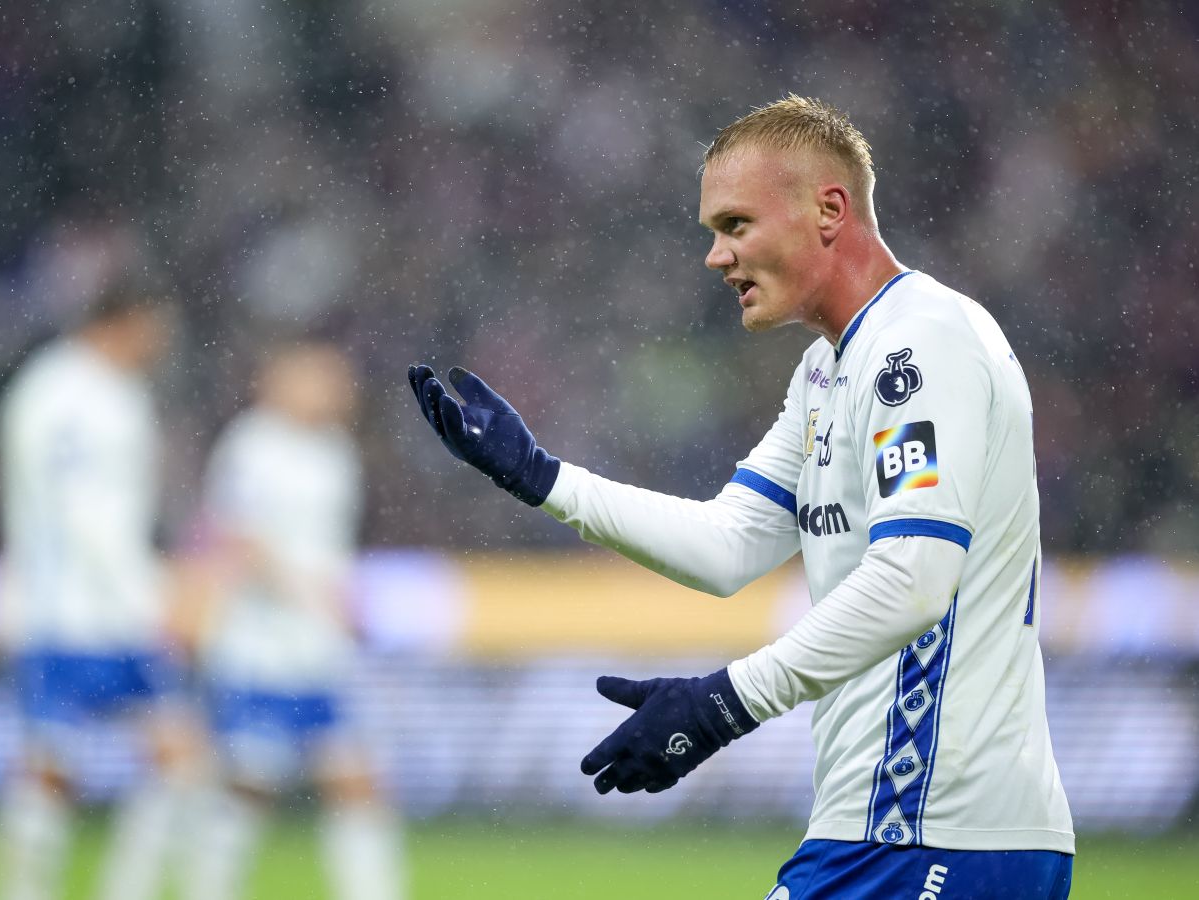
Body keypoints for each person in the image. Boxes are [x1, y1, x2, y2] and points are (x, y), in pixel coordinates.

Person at [408, 95, 1074, 898]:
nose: (716, 257)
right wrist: (543, 479)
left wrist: (723, 705)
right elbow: (731, 544)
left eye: (735, 225)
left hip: (930, 829)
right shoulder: (828, 370)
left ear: (829, 210)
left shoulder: (918, 345)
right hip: (905, 831)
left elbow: (914, 580)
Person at [0, 273, 200, 900]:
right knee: (56, 767)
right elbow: (83, 515)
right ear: (124, 321)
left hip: (91, 609)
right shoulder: (73, 394)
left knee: (173, 757)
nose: (163, 342)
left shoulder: (82, 388)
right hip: (71, 611)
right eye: (156, 327)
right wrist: (153, 597)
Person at [189, 339, 404, 900]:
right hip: (259, 646)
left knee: (356, 783)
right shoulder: (250, 445)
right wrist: (311, 595)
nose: (336, 391)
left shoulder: (336, 452)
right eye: (321, 379)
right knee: (249, 786)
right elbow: (239, 540)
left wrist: (341, 604)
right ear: (280, 381)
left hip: (317, 649)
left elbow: (329, 549)